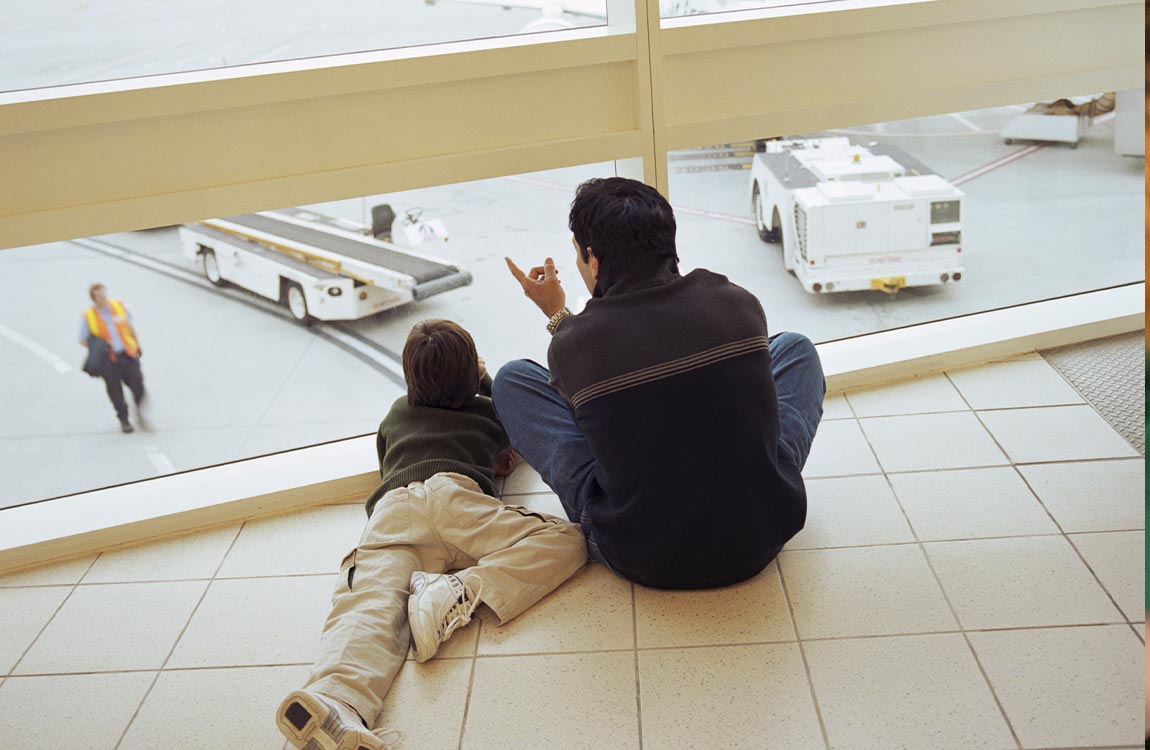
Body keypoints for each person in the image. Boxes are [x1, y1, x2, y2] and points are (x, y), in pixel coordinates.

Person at [494, 177, 825, 590]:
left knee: (511, 380)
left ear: (593, 260)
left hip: (642, 555)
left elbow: (580, 408)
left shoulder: (575, 344)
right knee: (795, 348)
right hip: (763, 532)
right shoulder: (736, 302)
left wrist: (558, 315)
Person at [276, 319, 587, 750]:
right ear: (471, 376)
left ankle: (337, 703)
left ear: (409, 377)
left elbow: (388, 460)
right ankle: (457, 591)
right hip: (455, 497)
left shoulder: (395, 413)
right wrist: (484, 381)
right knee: (566, 540)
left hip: (394, 508)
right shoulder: (489, 410)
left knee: (368, 605)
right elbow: (513, 434)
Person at [79, 283, 148, 433]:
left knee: (139, 385)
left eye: (104, 294)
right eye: (99, 296)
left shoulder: (119, 306)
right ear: (94, 299)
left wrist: (137, 344)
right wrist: (98, 346)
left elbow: (129, 326)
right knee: (115, 391)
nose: (103, 298)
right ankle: (124, 420)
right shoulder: (88, 316)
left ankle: (140, 411)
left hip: (128, 354)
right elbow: (83, 339)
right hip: (108, 360)